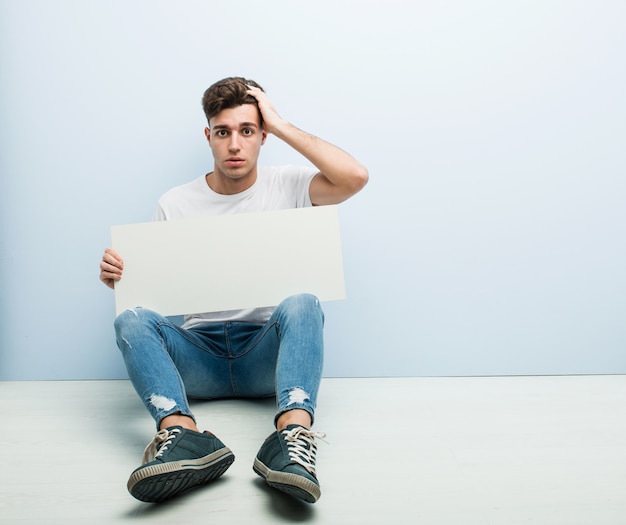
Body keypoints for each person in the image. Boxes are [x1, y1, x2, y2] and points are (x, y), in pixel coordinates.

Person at [99, 77, 368, 504]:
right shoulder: (175, 202)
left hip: (266, 356)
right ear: (209, 137)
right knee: (129, 319)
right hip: (198, 359)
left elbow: (354, 177)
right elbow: (150, 295)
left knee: (303, 302)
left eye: (248, 131)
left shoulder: (291, 184)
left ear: (262, 136)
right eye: (223, 132)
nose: (235, 145)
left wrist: (278, 122)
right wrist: (121, 274)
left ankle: (292, 441)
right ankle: (183, 435)